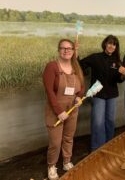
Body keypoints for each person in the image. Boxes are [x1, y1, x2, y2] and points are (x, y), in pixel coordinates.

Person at [43, 39, 85, 180]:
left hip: (72, 109)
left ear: (73, 51)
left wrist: (79, 97)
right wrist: (59, 111)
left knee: (68, 138)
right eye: (63, 48)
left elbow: (82, 87)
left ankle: (66, 161)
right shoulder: (52, 67)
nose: (66, 51)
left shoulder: (76, 67)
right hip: (56, 111)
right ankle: (52, 166)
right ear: (59, 50)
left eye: (69, 48)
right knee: (55, 142)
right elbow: (49, 91)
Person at [78, 35, 124, 151]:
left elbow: (119, 80)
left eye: (114, 44)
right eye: (109, 43)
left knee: (110, 121)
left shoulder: (117, 61)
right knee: (98, 122)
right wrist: (75, 53)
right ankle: (96, 148)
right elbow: (80, 65)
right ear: (105, 44)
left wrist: (123, 75)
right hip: (97, 95)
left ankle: (109, 145)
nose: (111, 46)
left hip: (112, 95)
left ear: (116, 47)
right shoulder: (95, 57)